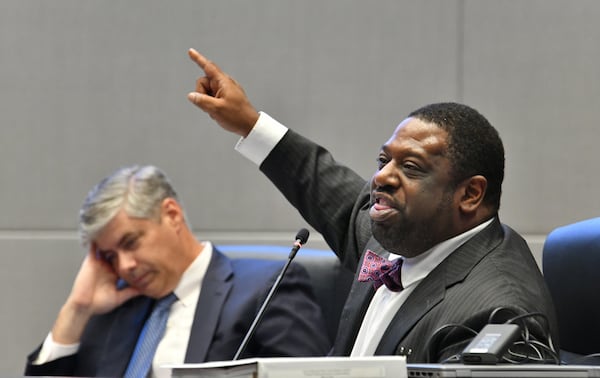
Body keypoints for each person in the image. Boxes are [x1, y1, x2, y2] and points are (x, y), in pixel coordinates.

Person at [186, 48, 560, 363]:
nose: (381, 178)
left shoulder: (502, 313)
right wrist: (248, 123)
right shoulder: (405, 233)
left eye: (411, 168)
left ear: (470, 194)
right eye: (384, 162)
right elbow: (321, 182)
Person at [25, 165, 330, 377]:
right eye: (109, 256)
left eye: (130, 242)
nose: (124, 266)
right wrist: (77, 309)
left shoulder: (267, 290)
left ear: (171, 215)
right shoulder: (115, 311)